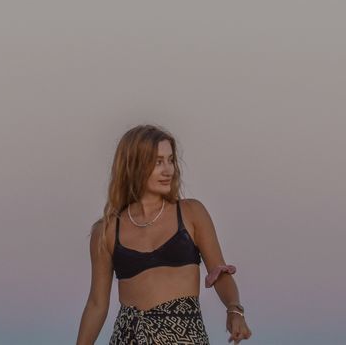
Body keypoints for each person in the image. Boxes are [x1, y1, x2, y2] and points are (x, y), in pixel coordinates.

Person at [76, 124, 252, 344]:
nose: (168, 170)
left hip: (185, 339)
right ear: (134, 165)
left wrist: (234, 310)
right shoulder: (107, 231)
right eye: (158, 162)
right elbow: (97, 304)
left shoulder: (191, 213)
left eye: (170, 160)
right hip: (128, 338)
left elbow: (219, 272)